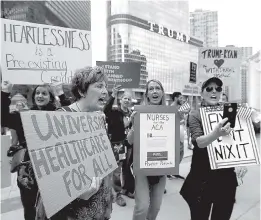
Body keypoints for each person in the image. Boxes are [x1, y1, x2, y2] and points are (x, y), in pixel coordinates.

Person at [47, 66, 114, 220]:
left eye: (106, 87)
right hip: (72, 211)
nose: (105, 91)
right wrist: (75, 192)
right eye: (99, 86)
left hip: (98, 206)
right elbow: (50, 174)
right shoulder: (61, 117)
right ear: (82, 91)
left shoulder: (98, 117)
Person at [180, 77, 248, 220]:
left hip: (226, 179)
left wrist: (241, 162)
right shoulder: (195, 114)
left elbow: (237, 141)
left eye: (218, 89)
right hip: (202, 178)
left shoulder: (230, 113)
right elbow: (199, 142)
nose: (214, 92)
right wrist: (216, 133)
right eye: (209, 88)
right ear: (202, 93)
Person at [1, 81, 70, 220]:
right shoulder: (23, 115)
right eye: (37, 93)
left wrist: (61, 94)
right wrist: (4, 93)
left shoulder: (57, 114)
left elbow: (71, 115)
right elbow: (4, 118)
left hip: (53, 168)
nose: (40, 95)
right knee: (29, 205)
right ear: (33, 98)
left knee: (56, 207)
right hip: (28, 171)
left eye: (44, 93)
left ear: (50, 97)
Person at [127, 79, 168, 220]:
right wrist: (134, 126)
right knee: (142, 207)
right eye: (151, 89)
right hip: (143, 166)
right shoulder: (138, 113)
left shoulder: (170, 115)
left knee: (155, 207)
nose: (155, 91)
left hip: (161, 166)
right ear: (147, 94)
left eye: (158, 88)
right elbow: (130, 141)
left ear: (162, 93)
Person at [104, 85, 135, 207]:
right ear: (120, 100)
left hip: (129, 144)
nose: (127, 100)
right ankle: (117, 195)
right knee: (116, 171)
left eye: (129, 99)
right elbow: (105, 110)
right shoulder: (115, 112)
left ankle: (126, 189)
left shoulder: (132, 113)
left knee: (127, 168)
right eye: (124, 98)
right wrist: (113, 95)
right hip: (117, 145)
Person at [168, 91, 187, 180]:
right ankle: (170, 171)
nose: (182, 99)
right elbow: (169, 121)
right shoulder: (172, 107)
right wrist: (181, 121)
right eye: (180, 98)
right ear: (176, 98)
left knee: (180, 153)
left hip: (180, 132)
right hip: (175, 133)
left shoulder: (179, 107)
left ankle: (173, 171)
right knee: (178, 153)